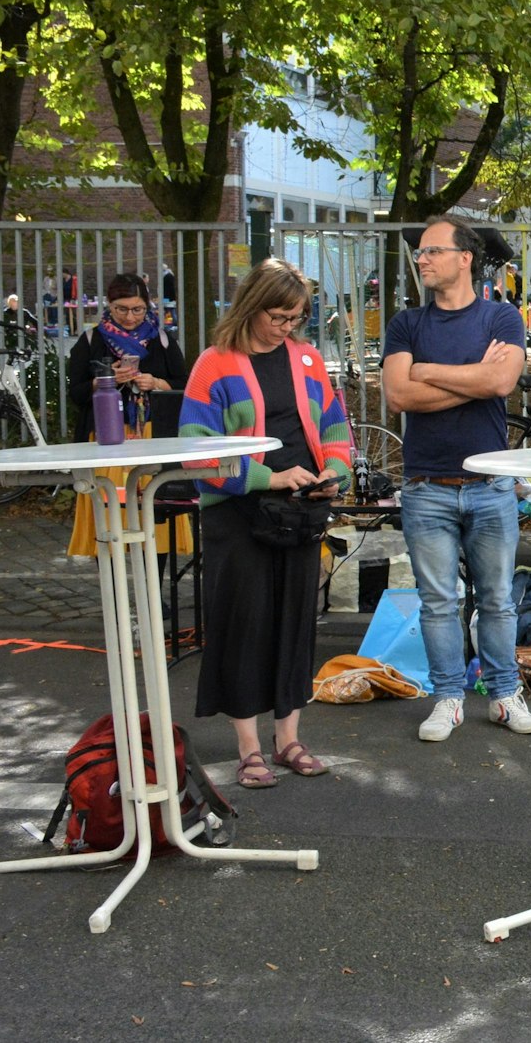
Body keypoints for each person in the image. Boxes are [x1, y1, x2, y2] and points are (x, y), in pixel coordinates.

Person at [179, 258, 352, 788]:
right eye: (279, 316)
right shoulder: (215, 363)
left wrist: (335, 473)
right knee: (244, 625)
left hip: (300, 508)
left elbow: (334, 427)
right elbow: (195, 454)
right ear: (252, 306)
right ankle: (249, 748)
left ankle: (289, 740)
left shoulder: (306, 358)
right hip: (239, 513)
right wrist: (268, 479)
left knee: (294, 623)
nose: (287, 327)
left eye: (297, 317)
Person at [384, 214, 531, 742]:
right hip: (426, 486)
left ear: (464, 258)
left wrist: (427, 370)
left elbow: (501, 381)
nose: (422, 259)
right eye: (421, 253)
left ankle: (503, 695)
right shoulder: (407, 324)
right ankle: (448, 697)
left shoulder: (501, 318)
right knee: (437, 602)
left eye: (432, 251)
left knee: (498, 598)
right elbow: (399, 396)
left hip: (491, 485)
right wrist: (473, 380)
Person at [64, 273, 189, 558]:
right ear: (109, 305)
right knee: (108, 513)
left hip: (150, 434)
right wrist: (105, 379)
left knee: (155, 511)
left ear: (147, 306)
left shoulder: (162, 339)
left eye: (137, 309)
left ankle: (155, 596)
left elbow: (184, 384)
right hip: (106, 437)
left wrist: (155, 383)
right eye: (122, 309)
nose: (130, 316)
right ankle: (114, 591)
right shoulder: (91, 339)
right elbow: (76, 393)